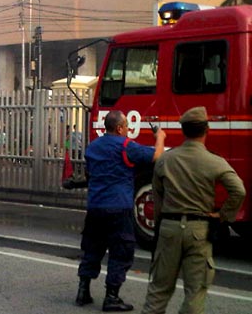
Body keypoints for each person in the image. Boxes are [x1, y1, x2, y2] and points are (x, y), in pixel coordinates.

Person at [141, 106, 245, 314]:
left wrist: (163, 223)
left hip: (169, 227)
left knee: (159, 290)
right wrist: (222, 215)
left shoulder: (165, 160)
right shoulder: (215, 161)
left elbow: (158, 195)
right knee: (195, 290)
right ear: (207, 130)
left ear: (183, 131)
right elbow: (239, 191)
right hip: (199, 229)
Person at [76, 110, 166, 312]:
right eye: (126, 126)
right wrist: (159, 138)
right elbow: (157, 156)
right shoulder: (126, 146)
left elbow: (91, 173)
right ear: (119, 128)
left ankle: (83, 291)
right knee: (121, 251)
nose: (128, 129)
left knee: (92, 248)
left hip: (95, 207)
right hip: (118, 207)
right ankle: (112, 297)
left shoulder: (93, 147)